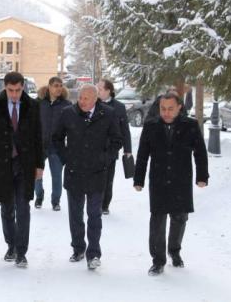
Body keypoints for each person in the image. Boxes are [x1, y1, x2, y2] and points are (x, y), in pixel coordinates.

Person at [133, 92, 209, 276]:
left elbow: (200, 152)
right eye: (162, 109)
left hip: (180, 180)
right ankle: (158, 260)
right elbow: (143, 154)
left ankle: (174, 251)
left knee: (180, 218)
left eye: (170, 109)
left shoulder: (190, 126)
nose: (166, 113)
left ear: (179, 108)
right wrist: (139, 179)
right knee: (157, 220)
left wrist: (202, 176)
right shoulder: (151, 126)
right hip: (159, 179)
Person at [53, 84, 122, 270]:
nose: (82, 101)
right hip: (74, 172)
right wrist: (66, 157)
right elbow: (57, 138)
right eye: (80, 97)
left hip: (97, 173)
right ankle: (78, 248)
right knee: (75, 215)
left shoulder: (107, 114)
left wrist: (105, 159)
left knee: (94, 215)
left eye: (86, 98)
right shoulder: (68, 113)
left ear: (95, 99)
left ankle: (93, 254)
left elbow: (117, 140)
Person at [0, 71, 44, 268]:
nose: (14, 94)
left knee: (23, 208)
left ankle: (22, 252)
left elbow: (38, 137)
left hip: (25, 163)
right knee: (7, 208)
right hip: (2, 163)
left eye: (18, 90)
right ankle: (11, 245)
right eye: (10, 90)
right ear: (5, 88)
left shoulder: (33, 106)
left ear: (23, 87)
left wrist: (39, 165)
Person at [34, 77, 72, 211]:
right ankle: (39, 196)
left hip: (57, 147)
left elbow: (72, 127)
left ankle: (56, 201)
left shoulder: (67, 105)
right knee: (36, 175)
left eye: (61, 85)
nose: (59, 88)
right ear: (49, 87)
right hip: (39, 146)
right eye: (56, 85)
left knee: (57, 177)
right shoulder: (38, 103)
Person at [97, 79, 132, 215]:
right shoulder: (94, 104)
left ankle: (105, 204)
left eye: (100, 89)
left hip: (111, 148)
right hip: (94, 148)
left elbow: (125, 129)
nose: (98, 90)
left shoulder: (119, 107)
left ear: (108, 91)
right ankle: (95, 202)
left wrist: (127, 149)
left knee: (108, 178)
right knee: (95, 177)